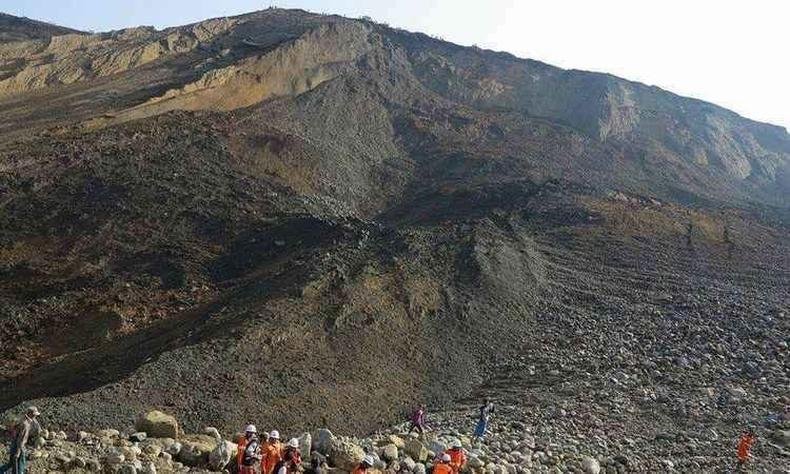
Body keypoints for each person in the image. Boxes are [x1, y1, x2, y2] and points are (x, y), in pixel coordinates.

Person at [0, 406, 40, 474]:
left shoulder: (23, 418)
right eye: (34, 415)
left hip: (14, 443)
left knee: (13, 463)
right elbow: (21, 439)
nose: (35, 416)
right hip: (19, 446)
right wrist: (18, 452)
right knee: (20, 465)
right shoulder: (25, 425)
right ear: (30, 414)